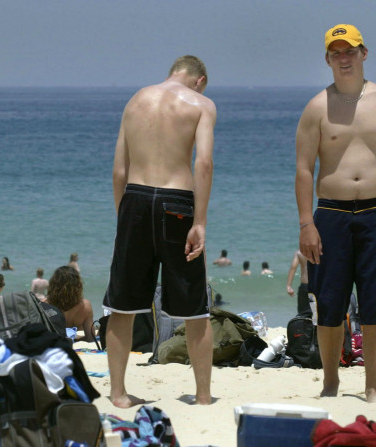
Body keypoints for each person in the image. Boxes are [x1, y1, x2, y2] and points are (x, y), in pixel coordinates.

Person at [296, 24, 376, 402]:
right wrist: (306, 223)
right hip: (330, 214)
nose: (344, 57)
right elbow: (304, 169)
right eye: (336, 52)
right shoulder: (316, 107)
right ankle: (331, 382)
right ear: (327, 59)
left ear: (364, 53)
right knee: (328, 303)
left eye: (350, 50)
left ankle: (373, 386)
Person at [103, 55, 215, 408]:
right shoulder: (201, 103)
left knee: (122, 307)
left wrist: (124, 214)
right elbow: (204, 163)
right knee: (195, 308)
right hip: (177, 200)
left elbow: (119, 169)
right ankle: (202, 395)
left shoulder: (136, 100)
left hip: (135, 198)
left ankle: (118, 394)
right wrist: (199, 221)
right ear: (200, 80)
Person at [47, 266, 95, 342]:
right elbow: (91, 338)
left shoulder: (45, 304)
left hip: (52, 343)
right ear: (78, 285)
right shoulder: (85, 306)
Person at [286, 250, 311, 315]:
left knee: (303, 314)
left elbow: (293, 268)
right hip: (319, 285)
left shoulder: (299, 253)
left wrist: (289, 286)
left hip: (304, 286)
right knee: (319, 315)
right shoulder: (321, 251)